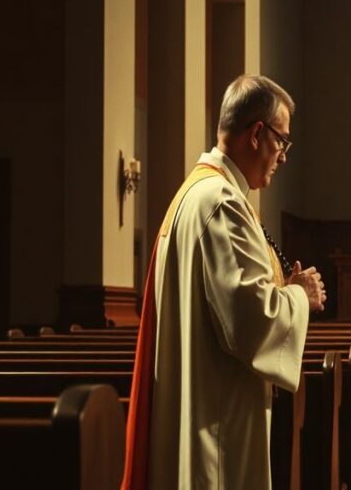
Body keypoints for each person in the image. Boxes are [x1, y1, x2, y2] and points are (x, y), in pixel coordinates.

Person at [123, 75, 328, 490]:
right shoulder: (221, 203)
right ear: (257, 134)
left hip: (202, 406)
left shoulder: (197, 193)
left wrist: (281, 287)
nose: (284, 156)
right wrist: (299, 296)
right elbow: (251, 321)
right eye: (282, 141)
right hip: (218, 425)